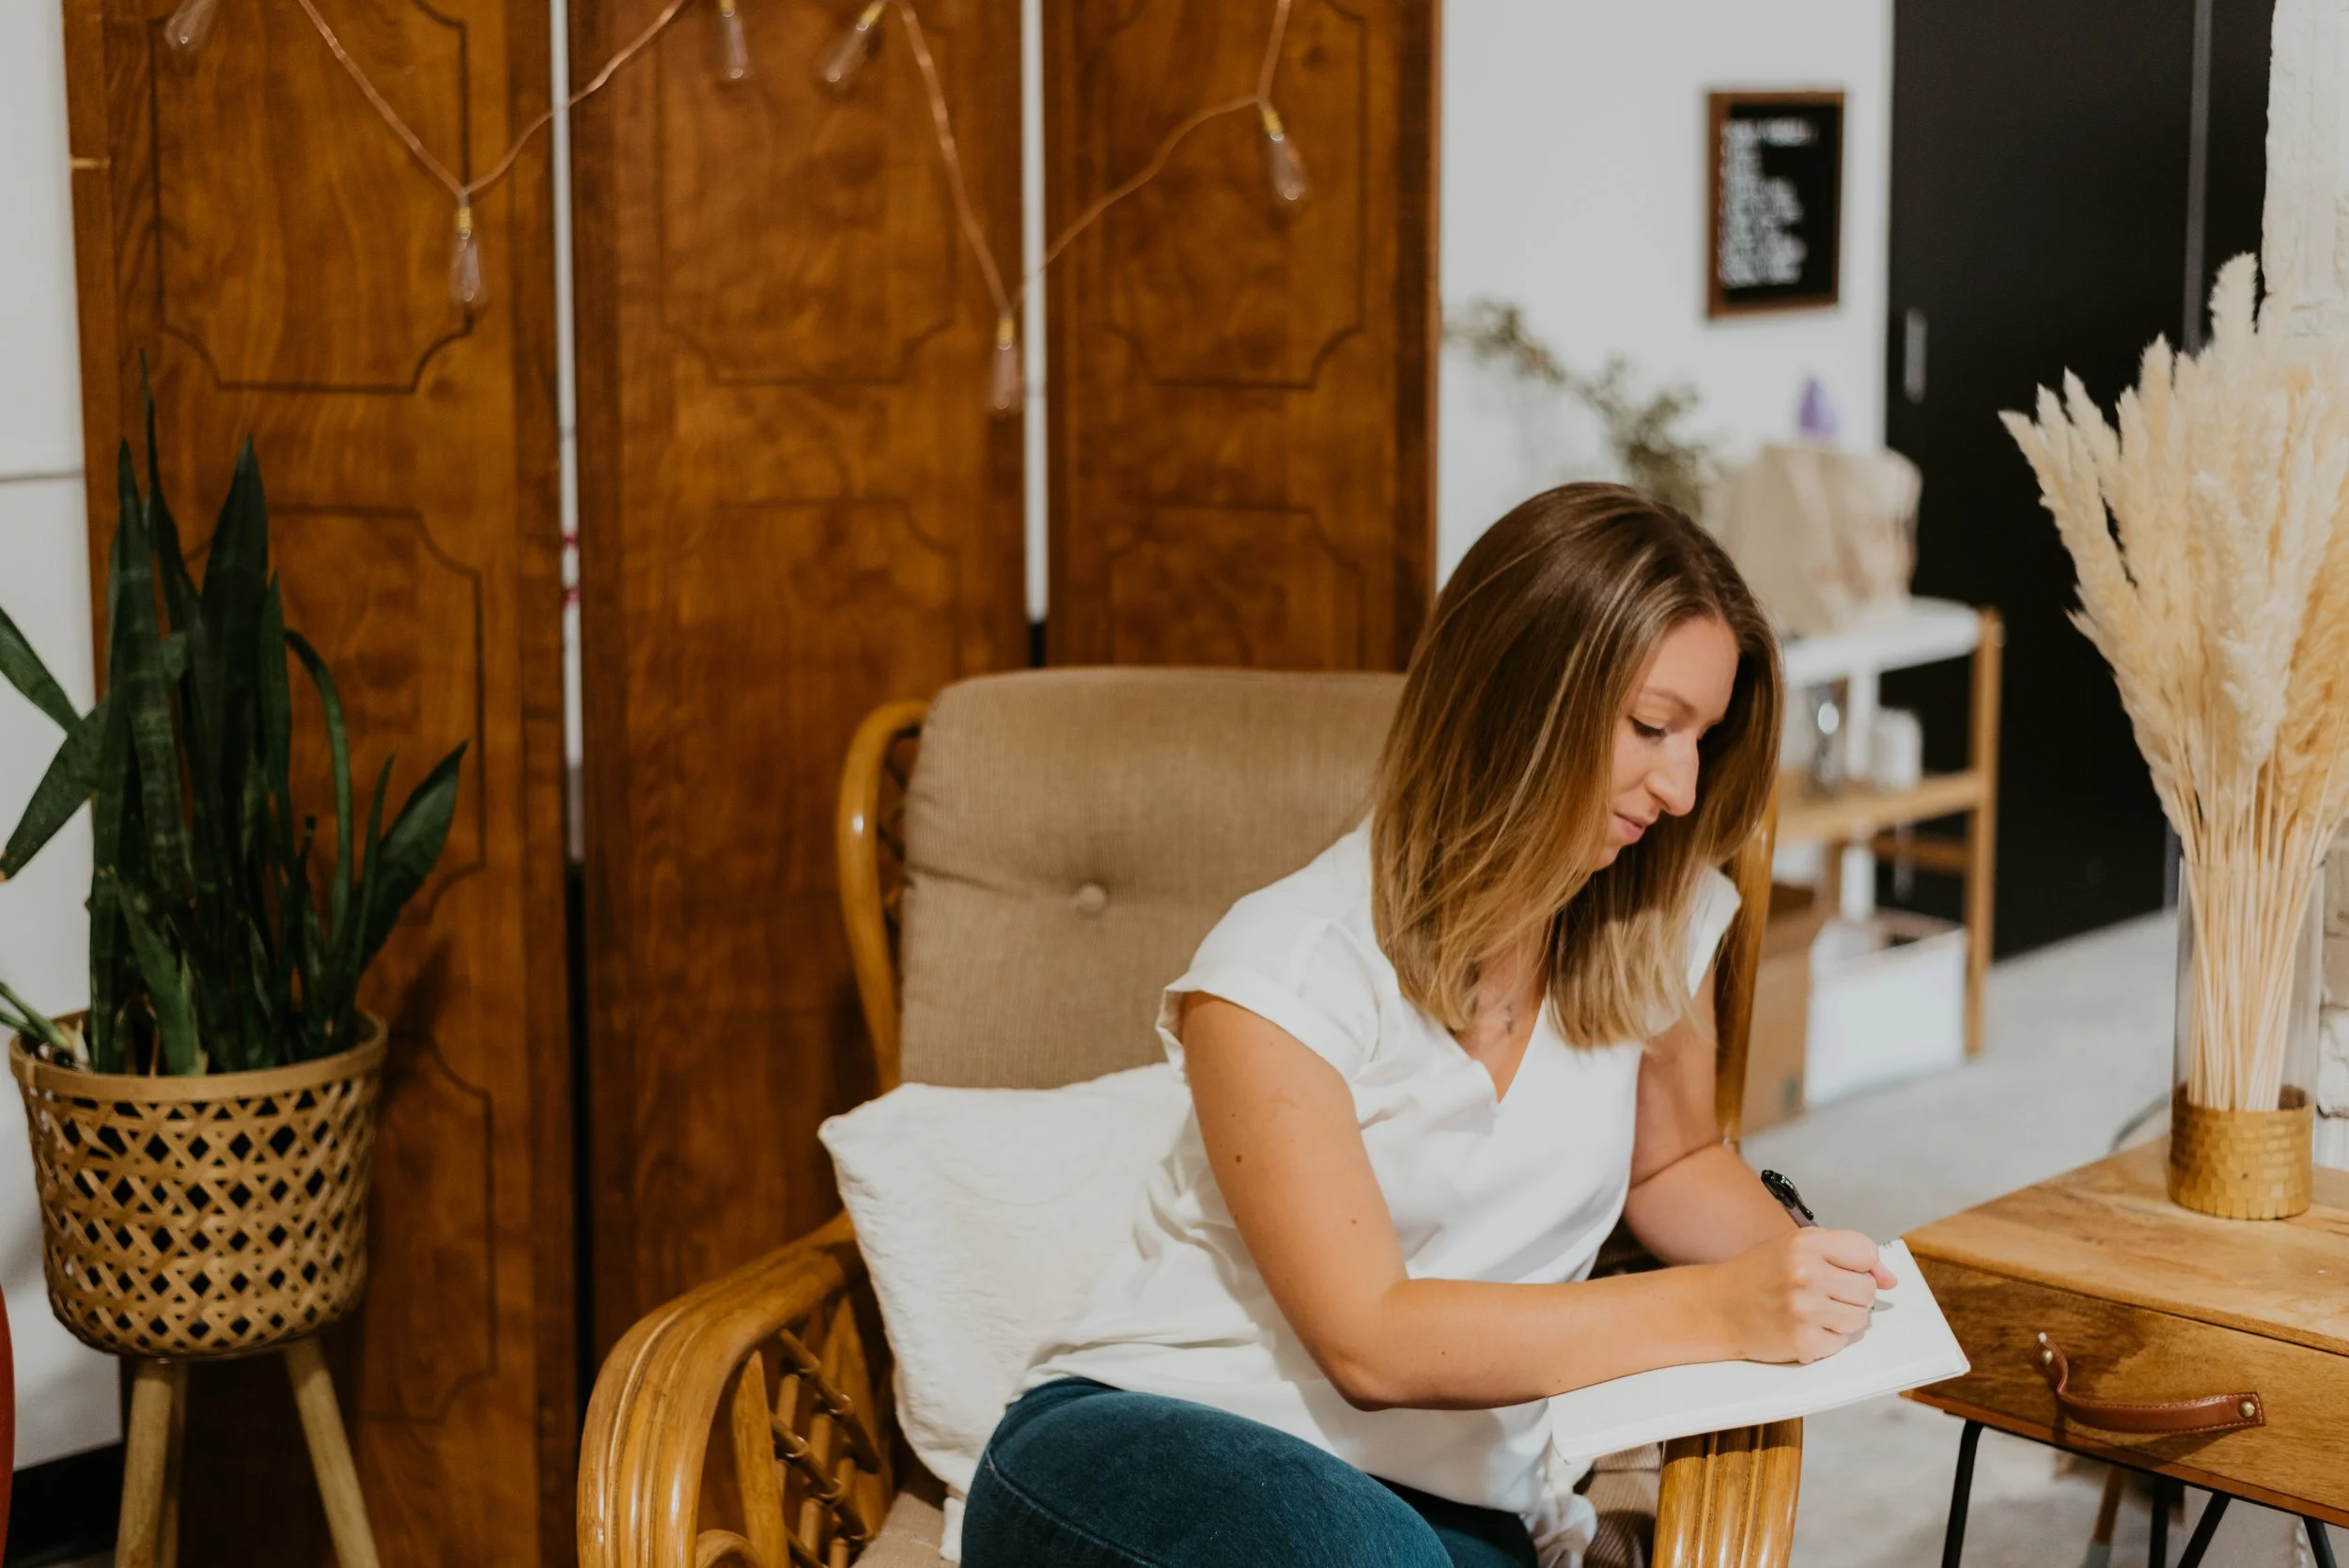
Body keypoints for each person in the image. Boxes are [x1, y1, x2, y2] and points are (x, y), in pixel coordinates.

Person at [960, 485, 1894, 1568]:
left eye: (1703, 738)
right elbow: (1368, 1339)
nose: (1681, 787)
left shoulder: (1653, 919)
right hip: (1152, 1439)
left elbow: (1672, 1159)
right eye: (1651, 726)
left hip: (1449, 1500)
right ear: (1519, 697)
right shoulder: (1282, 965)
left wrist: (1825, 1281)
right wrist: (1719, 1309)